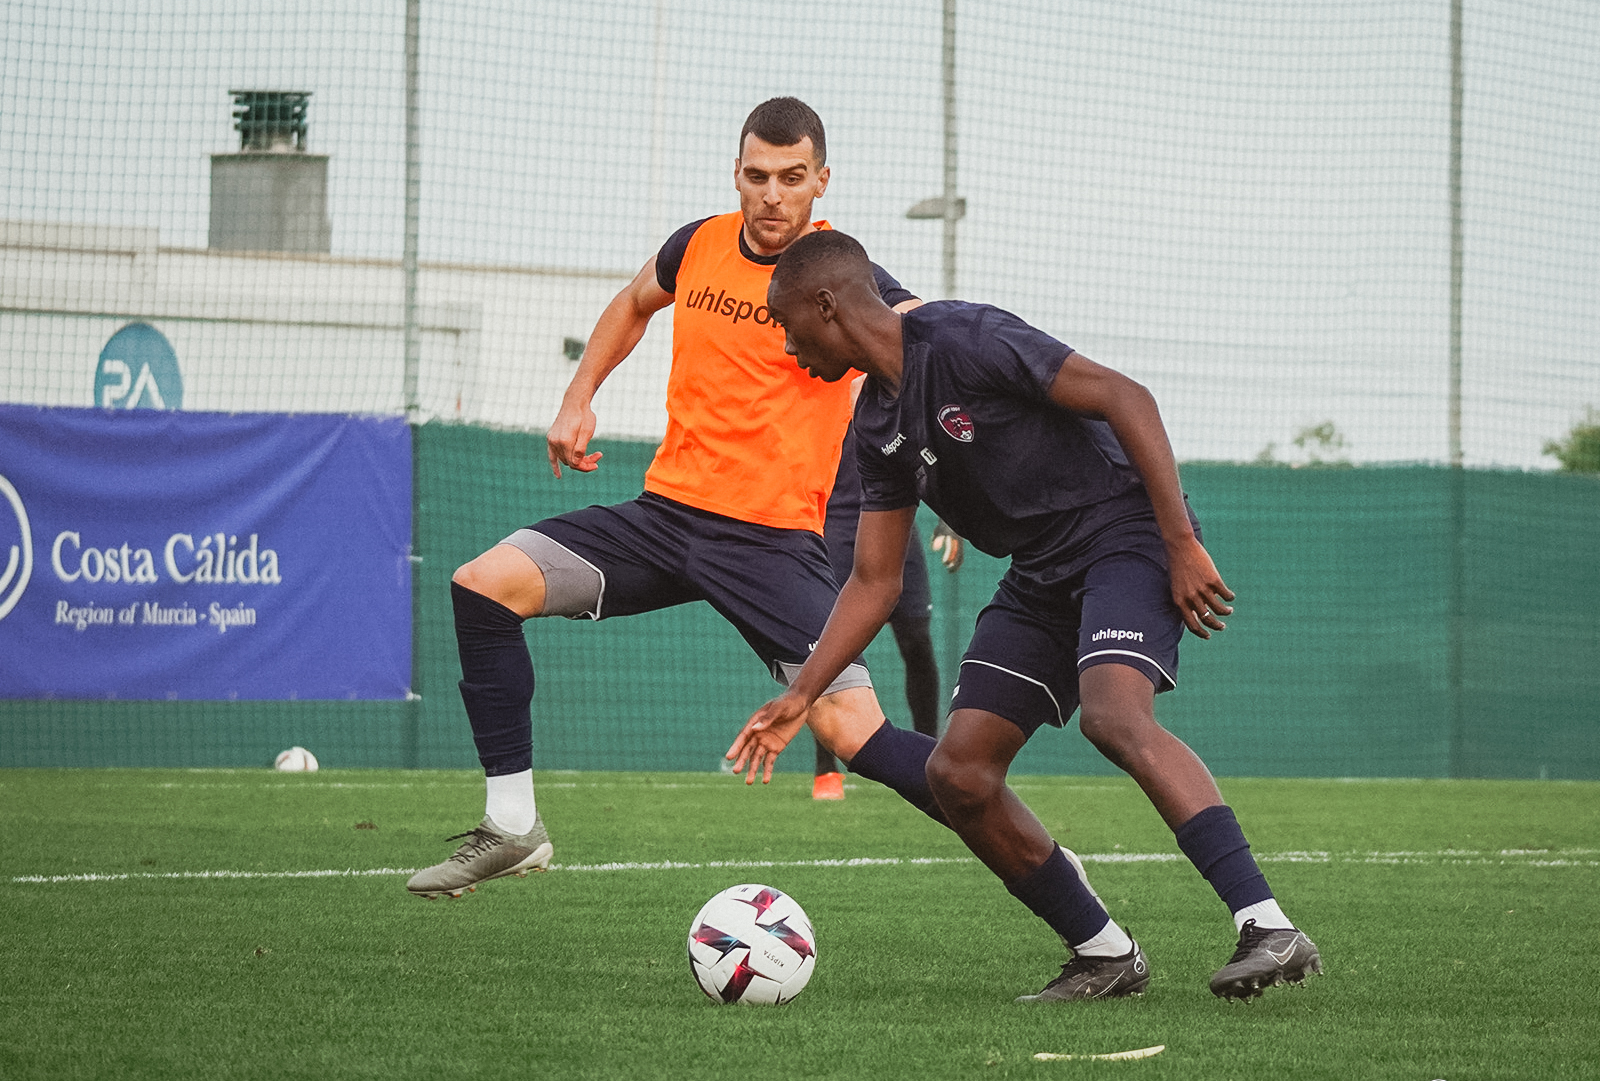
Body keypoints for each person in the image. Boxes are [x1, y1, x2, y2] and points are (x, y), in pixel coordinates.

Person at [728, 231, 1322, 1003]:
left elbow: (1125, 396)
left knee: (1113, 716)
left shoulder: (963, 337)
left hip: (1125, 532)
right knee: (958, 772)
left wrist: (1180, 541)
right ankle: (1104, 955)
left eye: (784, 323)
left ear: (827, 305)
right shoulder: (875, 428)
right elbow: (874, 583)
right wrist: (803, 694)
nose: (784, 345)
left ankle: (1267, 925)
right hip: (1040, 573)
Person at [406, 98, 949, 900]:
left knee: (851, 730)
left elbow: (925, 337)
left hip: (771, 543)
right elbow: (633, 303)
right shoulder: (695, 244)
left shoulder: (846, 279)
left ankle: (1026, 843)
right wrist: (579, 394)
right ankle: (513, 826)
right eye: (757, 176)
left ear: (821, 182)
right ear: (736, 172)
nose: (771, 195)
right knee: (484, 585)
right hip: (664, 521)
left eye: (791, 179)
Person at [809, 421, 961, 800]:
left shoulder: (894, 392)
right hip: (836, 529)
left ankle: (931, 760)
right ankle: (826, 771)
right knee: (830, 647)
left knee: (916, 642)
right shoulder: (819, 383)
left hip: (896, 524)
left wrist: (949, 520)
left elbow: (931, 450)